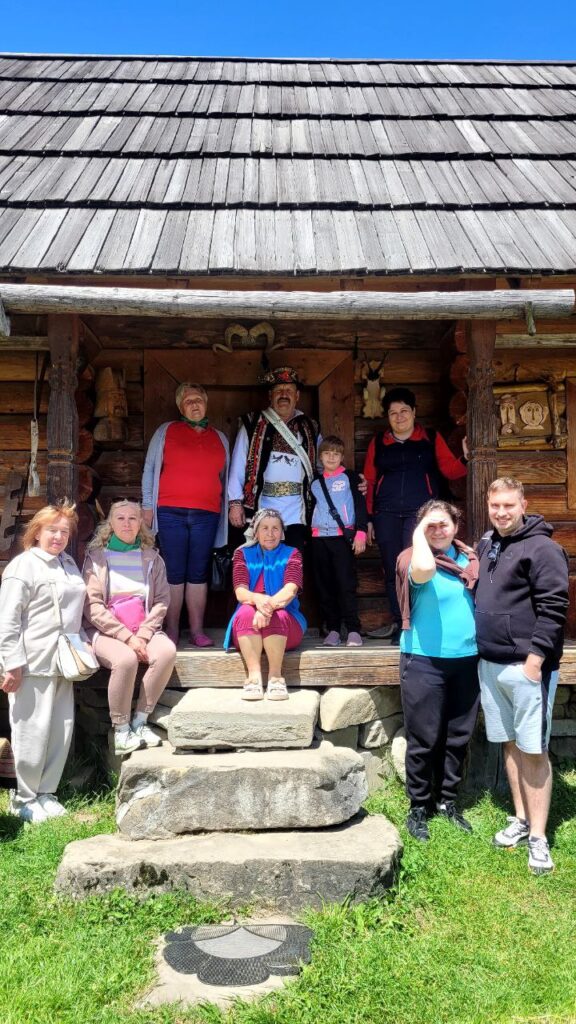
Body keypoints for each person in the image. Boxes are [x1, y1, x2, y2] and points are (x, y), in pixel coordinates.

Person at [475, 478, 569, 875]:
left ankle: (539, 838)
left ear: (523, 505)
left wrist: (534, 663)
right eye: (495, 505)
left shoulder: (544, 549)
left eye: (508, 505)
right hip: (491, 664)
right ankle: (521, 818)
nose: (501, 512)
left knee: (534, 750)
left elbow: (554, 607)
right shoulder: (488, 543)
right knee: (510, 744)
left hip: (527, 668)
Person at [396, 500, 479, 842]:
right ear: (419, 529)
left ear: (456, 526)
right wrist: (420, 531)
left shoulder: (470, 559)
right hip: (423, 659)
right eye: (430, 524)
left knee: (457, 736)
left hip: (467, 658)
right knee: (424, 738)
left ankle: (447, 801)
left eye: (444, 523)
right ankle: (419, 805)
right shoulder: (412, 557)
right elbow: (424, 571)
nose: (438, 530)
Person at [0, 502, 86, 823]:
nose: (59, 537)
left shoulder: (68, 564)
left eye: (64, 532)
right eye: (52, 530)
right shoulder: (23, 566)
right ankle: (23, 798)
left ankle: (45, 793)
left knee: (60, 729)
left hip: (63, 661)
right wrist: (11, 664)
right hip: (31, 663)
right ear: (36, 532)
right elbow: (7, 620)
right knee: (31, 731)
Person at [363, 387, 468, 642]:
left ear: (414, 412)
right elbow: (369, 480)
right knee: (393, 569)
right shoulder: (379, 442)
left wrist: (466, 458)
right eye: (393, 413)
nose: (399, 417)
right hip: (386, 514)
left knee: (417, 566)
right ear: (388, 417)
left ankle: (420, 622)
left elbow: (450, 470)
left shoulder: (429, 438)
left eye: (404, 411)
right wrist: (368, 518)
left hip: (420, 516)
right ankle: (401, 624)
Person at [83, 500, 177, 756]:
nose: (127, 523)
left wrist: (143, 635)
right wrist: (127, 637)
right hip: (105, 630)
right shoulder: (96, 559)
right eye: (120, 518)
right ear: (110, 524)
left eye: (132, 518)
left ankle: (140, 721)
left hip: (142, 627)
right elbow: (92, 606)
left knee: (166, 652)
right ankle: (121, 729)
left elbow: (161, 601)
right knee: (125, 660)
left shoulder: (152, 558)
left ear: (141, 524)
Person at [142, 382, 229, 647]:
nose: (194, 405)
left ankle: (197, 631)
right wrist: (147, 507)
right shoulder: (166, 431)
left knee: (198, 572)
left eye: (198, 400)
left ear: (206, 403)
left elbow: (225, 478)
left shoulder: (220, 437)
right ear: (180, 407)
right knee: (174, 571)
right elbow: (150, 469)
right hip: (170, 512)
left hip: (207, 514)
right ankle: (172, 630)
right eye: (188, 401)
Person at [228, 366, 320, 552]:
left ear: (297, 396)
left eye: (289, 390)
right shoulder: (252, 423)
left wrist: (349, 479)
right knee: (262, 563)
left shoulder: (310, 427)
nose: (284, 395)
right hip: (261, 509)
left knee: (292, 562)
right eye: (278, 390)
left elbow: (324, 465)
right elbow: (238, 465)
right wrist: (235, 503)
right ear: (270, 396)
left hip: (297, 512)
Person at [224, 508, 306, 701]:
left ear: (282, 532)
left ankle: (276, 678)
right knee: (245, 612)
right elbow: (240, 592)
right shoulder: (242, 554)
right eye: (265, 528)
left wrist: (266, 609)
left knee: (279, 615)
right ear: (256, 532)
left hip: (286, 625)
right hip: (249, 624)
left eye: (275, 528)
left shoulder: (292, 553)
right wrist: (258, 600)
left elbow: (290, 590)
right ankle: (254, 678)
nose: (270, 533)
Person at [310, 435, 367, 647]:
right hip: (319, 538)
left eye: (336, 454)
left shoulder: (351, 478)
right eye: (327, 453)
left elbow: (360, 505)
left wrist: (361, 532)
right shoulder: (315, 482)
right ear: (320, 457)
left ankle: (353, 630)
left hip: (343, 538)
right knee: (325, 586)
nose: (331, 457)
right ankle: (333, 629)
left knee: (346, 584)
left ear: (342, 457)